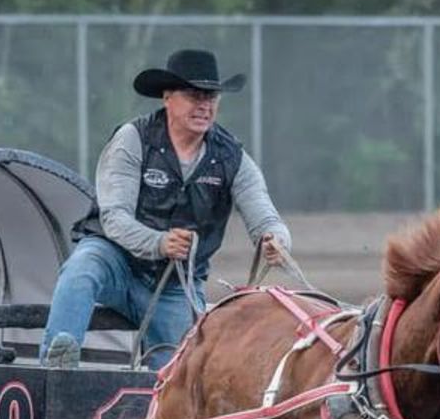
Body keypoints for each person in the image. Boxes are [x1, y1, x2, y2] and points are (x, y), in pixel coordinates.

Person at [41, 48, 291, 370]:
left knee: (178, 375)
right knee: (81, 271)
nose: (204, 105)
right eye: (193, 95)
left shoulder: (232, 158)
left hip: (175, 282)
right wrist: (159, 243)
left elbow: (265, 216)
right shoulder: (132, 139)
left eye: (211, 96)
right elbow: (114, 218)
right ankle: (56, 365)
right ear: (167, 98)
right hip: (114, 259)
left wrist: (276, 241)